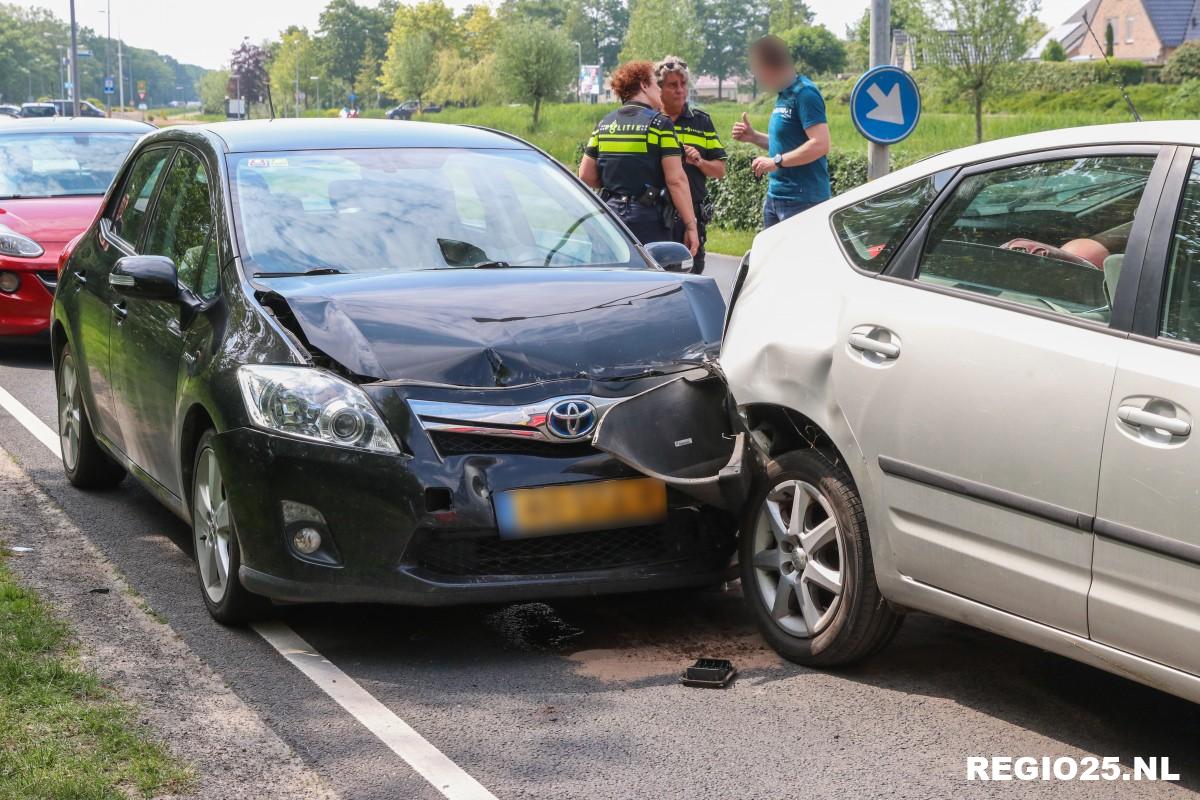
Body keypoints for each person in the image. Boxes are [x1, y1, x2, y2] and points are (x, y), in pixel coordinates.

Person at [578, 61, 699, 256]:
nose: (659, 90)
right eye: (654, 84)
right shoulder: (660, 125)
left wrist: (619, 181)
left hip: (610, 217)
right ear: (643, 85)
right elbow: (676, 180)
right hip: (648, 221)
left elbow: (585, 175)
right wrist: (691, 226)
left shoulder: (604, 124)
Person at [732, 35, 831, 229]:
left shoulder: (805, 94)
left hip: (802, 201)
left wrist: (776, 162)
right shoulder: (784, 95)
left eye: (757, 71)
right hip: (776, 198)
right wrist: (754, 137)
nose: (756, 77)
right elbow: (789, 145)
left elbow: (820, 144)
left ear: (769, 67)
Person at [655, 56, 726, 274]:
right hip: (656, 216)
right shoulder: (651, 120)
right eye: (672, 85)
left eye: (683, 84)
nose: (680, 90)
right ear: (659, 89)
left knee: (691, 280)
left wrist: (699, 161)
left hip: (692, 217)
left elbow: (720, 171)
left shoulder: (701, 121)